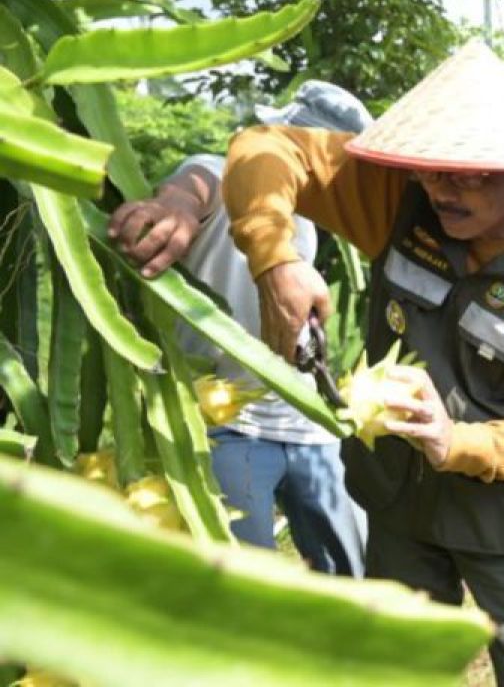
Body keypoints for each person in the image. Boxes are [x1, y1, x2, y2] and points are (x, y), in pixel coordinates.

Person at [221, 40, 504, 687]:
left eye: (469, 173)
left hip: (502, 523)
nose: (442, 188)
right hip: (398, 504)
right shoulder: (399, 203)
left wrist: (457, 441)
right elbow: (264, 146)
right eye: (432, 169)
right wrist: (275, 258)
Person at [107, 81, 370, 577]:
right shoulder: (228, 172)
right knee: (244, 586)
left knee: (354, 571)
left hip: (307, 421)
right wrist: (177, 208)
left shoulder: (308, 220)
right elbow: (193, 185)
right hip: (226, 424)